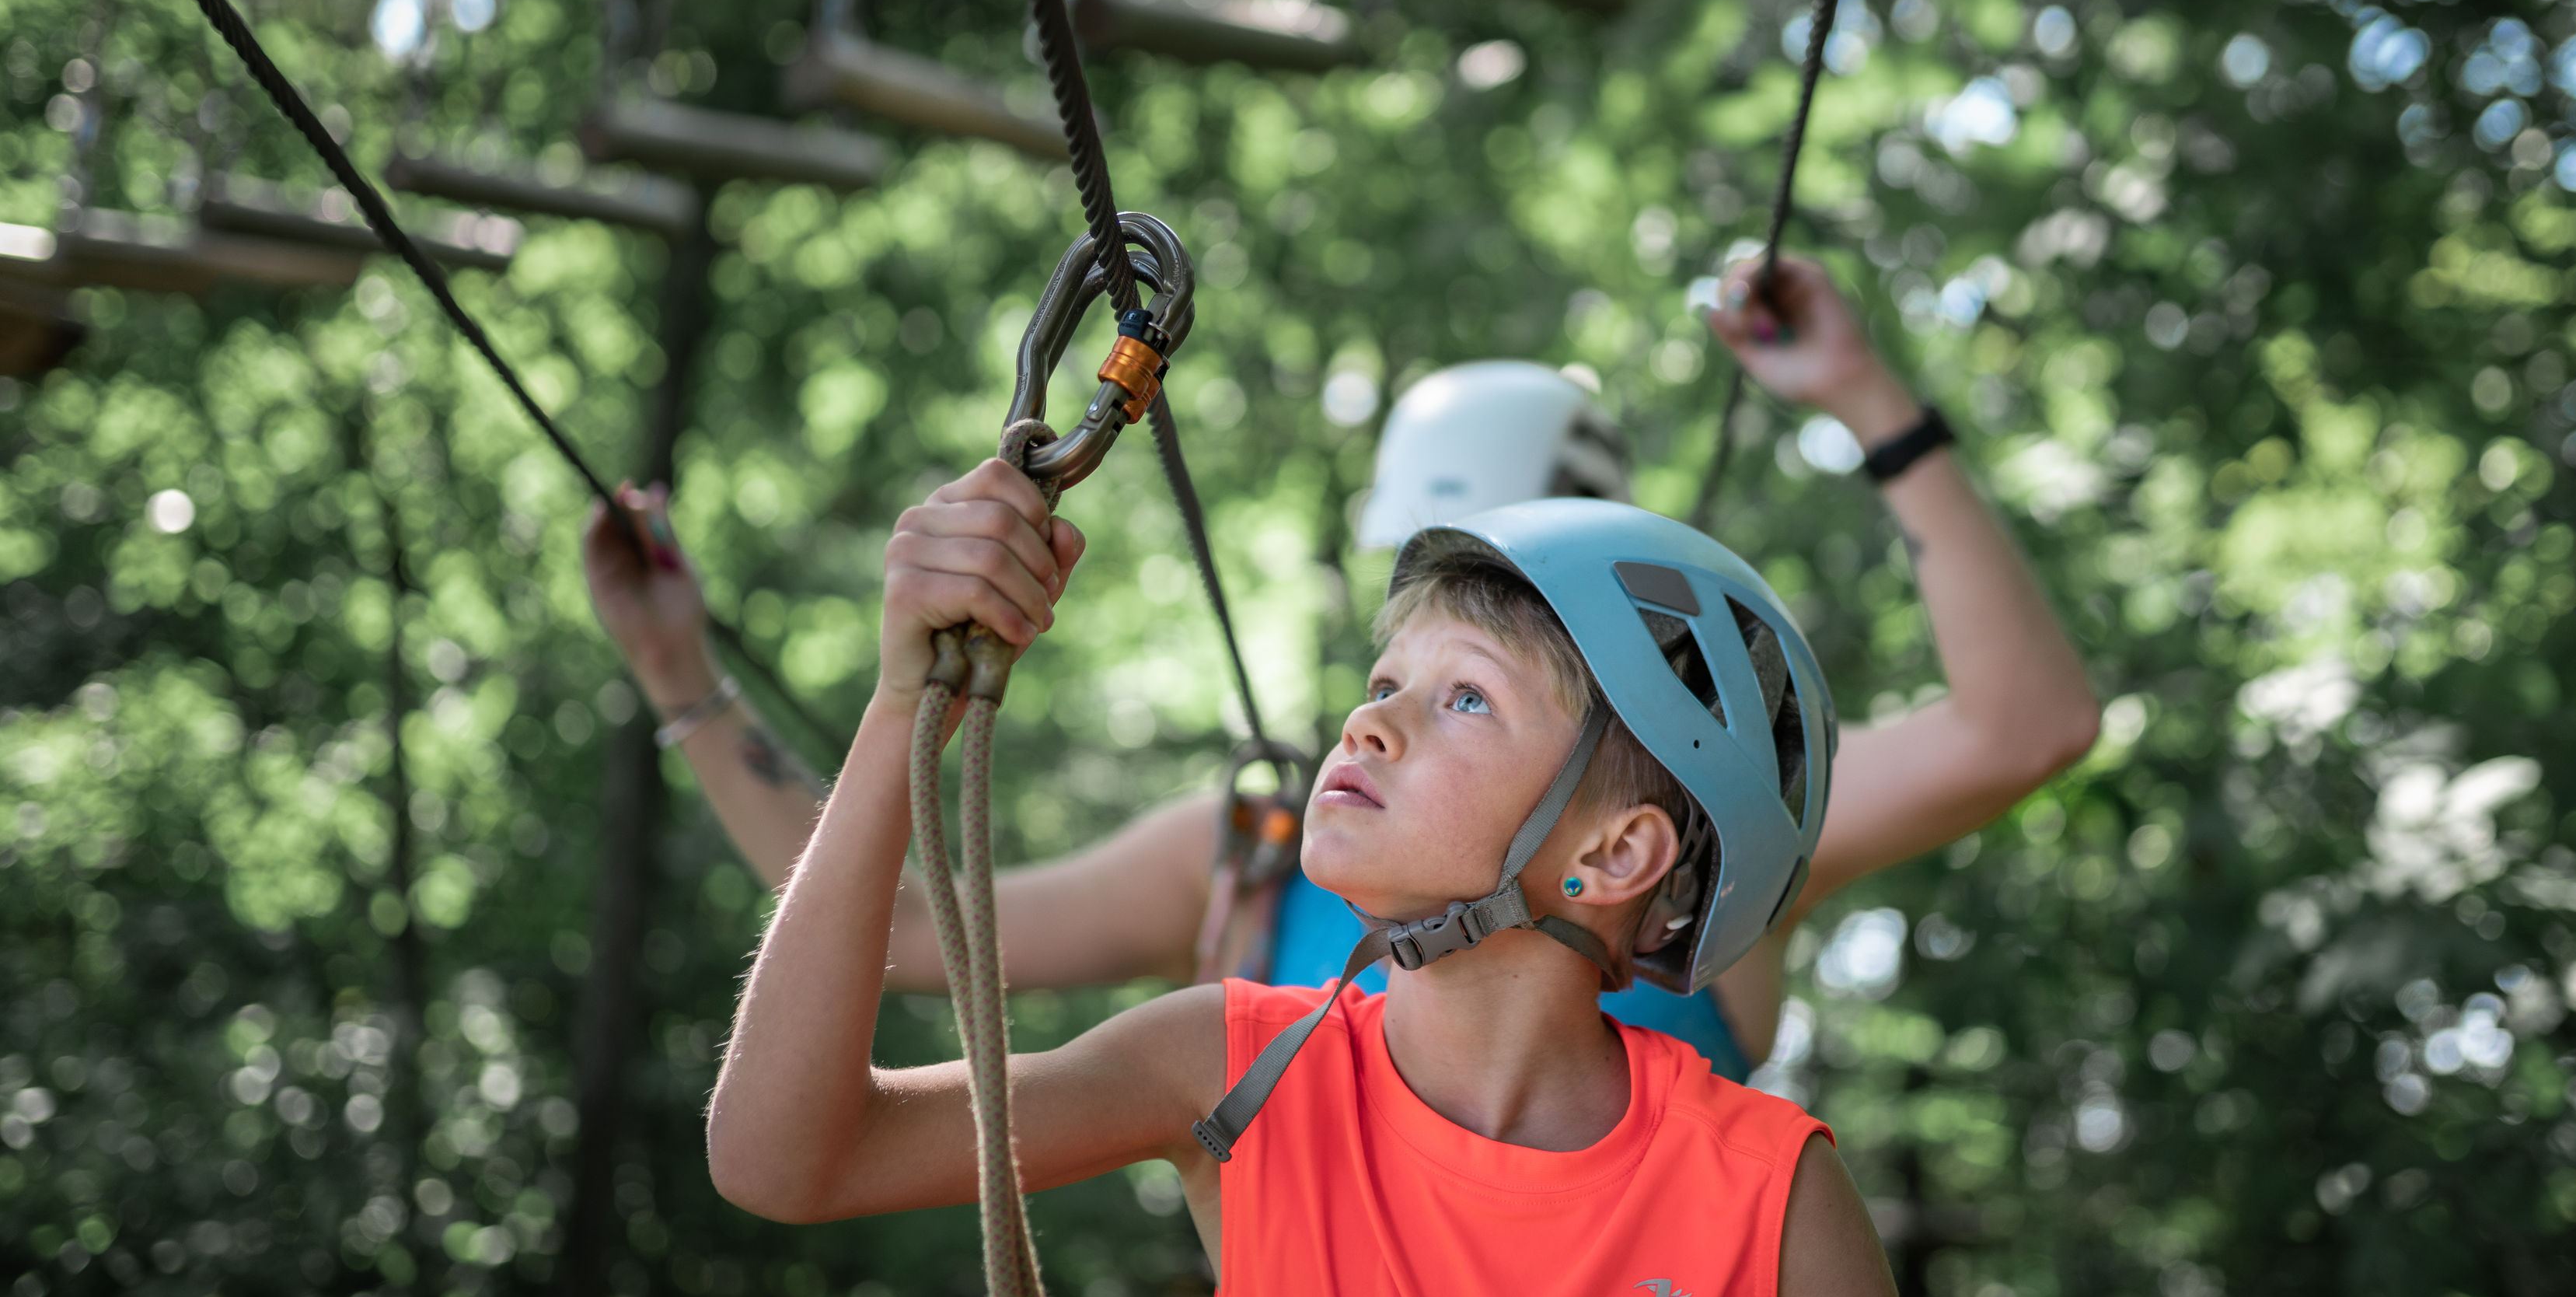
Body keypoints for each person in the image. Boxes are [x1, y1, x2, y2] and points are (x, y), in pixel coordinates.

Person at [583, 254, 2098, 1079]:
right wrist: (685, 685)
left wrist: (1862, 396)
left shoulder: (1694, 841)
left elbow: (2023, 725)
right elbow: (902, 935)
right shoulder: (1257, 852)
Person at [705, 467, 1947, 1297]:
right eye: (1384, 677)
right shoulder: (1237, 1075)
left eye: (1464, 697)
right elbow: (787, 1159)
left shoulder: (1772, 1192)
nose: (1370, 720)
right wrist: (900, 706)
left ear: (1615, 857)